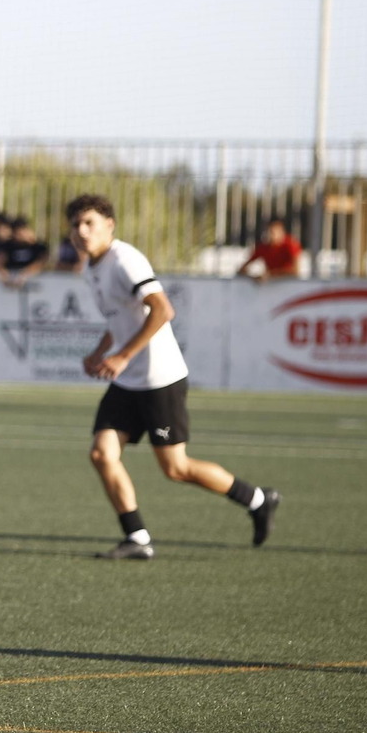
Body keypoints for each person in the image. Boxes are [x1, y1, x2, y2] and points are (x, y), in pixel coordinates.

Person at [67, 193, 279, 560]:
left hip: (159, 379)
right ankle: (137, 538)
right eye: (75, 225)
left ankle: (258, 499)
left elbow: (163, 310)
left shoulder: (125, 260)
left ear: (109, 226)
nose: (82, 231)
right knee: (102, 454)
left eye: (90, 223)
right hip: (126, 381)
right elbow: (120, 319)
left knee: (176, 468)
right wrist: (101, 352)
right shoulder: (91, 267)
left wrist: (121, 355)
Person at [237, 217, 303, 280]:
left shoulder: (291, 244)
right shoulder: (263, 247)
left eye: (274, 232)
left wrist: (271, 274)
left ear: (282, 231)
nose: (272, 235)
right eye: (270, 231)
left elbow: (296, 271)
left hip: (288, 284)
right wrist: (254, 277)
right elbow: (242, 269)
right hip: (270, 285)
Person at [0, 216, 49, 288]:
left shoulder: (38, 247)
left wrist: (26, 273)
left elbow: (42, 262)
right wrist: (3, 273)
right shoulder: (8, 246)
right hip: (11, 283)